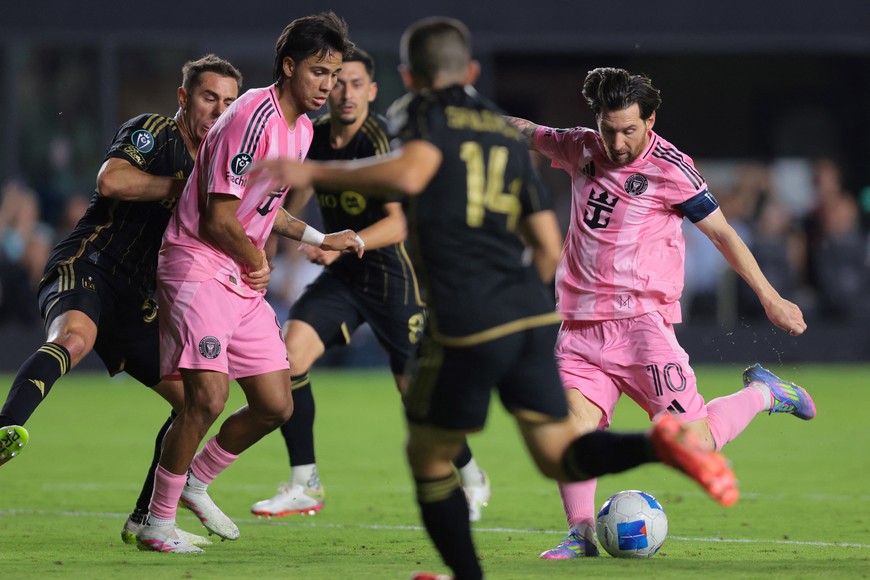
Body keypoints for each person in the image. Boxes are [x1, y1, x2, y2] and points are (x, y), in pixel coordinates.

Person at [248, 18, 739, 580]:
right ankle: (661, 448)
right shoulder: (496, 128)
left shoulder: (418, 112)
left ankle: (468, 574)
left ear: (408, 75)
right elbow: (547, 243)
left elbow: (413, 171)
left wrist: (310, 170)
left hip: (465, 318)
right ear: (473, 72)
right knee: (559, 450)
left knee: (427, 454)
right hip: (529, 311)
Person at [504, 67, 817, 560]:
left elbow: (723, 235)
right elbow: (527, 131)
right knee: (571, 432)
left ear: (650, 120)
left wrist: (771, 297)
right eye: (609, 129)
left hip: (641, 330)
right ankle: (581, 534)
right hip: (579, 330)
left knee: (694, 446)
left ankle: (763, 393)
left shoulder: (672, 168)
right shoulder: (580, 146)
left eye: (629, 130)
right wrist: (469, 122)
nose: (618, 141)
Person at [136, 12, 362, 554]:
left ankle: (195, 482)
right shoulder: (251, 116)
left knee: (274, 405)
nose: (328, 85)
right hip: (198, 263)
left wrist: (320, 237)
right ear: (289, 67)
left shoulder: (302, 129)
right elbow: (218, 218)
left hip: (237, 272)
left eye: (334, 74)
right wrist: (255, 262)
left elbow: (265, 209)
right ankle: (157, 522)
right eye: (319, 72)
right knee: (207, 398)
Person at [0, 54, 244, 548]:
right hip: (90, 264)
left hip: (141, 299)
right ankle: (5, 429)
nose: (218, 110)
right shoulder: (154, 130)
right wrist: (185, 189)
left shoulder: (225, 165)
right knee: (75, 338)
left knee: (198, 402)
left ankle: (146, 518)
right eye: (208, 97)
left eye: (229, 102)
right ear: (184, 98)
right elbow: (111, 180)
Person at [249, 47, 492, 523]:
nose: (345, 92)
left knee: (413, 393)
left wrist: (343, 241)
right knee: (288, 355)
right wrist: (274, 244)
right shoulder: (315, 136)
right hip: (346, 277)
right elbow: (295, 193)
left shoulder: (381, 139)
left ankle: (471, 474)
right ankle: (304, 483)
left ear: (373, 91)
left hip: (395, 279)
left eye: (356, 83)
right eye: (337, 81)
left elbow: (399, 224)